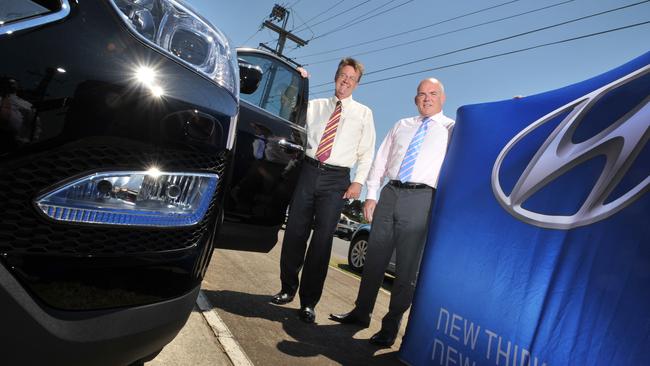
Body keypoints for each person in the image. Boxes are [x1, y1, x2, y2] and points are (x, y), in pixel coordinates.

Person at [329, 78, 455, 347]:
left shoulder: (452, 130)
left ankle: (389, 329)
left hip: (422, 197)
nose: (427, 98)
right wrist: (372, 195)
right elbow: (381, 159)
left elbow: (482, 140)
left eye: (433, 94)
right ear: (415, 99)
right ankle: (361, 313)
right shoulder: (402, 125)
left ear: (443, 98)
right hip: (390, 193)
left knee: (407, 269)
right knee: (374, 259)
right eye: (421, 94)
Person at [271, 58, 376, 324]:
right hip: (307, 170)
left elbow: (366, 154)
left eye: (351, 78)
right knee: (295, 232)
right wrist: (296, 81)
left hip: (336, 180)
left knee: (321, 242)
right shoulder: (314, 106)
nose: (345, 81)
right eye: (342, 75)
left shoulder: (364, 114)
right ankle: (287, 288)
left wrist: (358, 182)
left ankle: (308, 302)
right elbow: (288, 109)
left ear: (357, 84)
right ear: (335, 76)